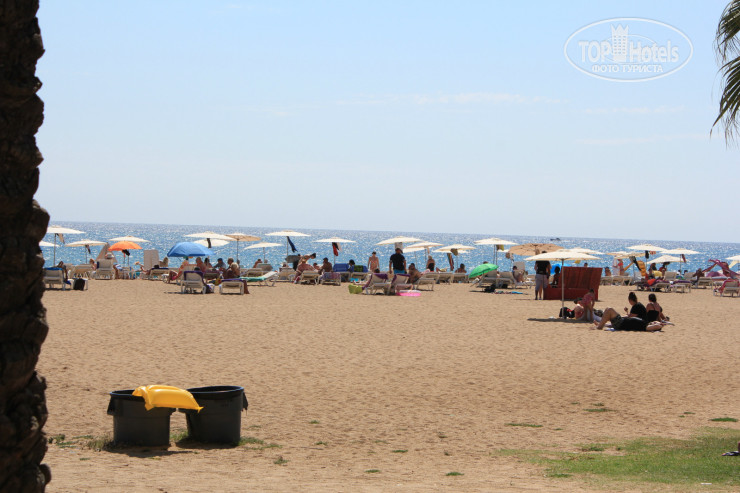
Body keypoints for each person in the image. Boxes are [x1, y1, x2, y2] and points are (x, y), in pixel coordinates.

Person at [592, 292, 662, 331]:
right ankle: (601, 325)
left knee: (609, 309)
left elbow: (658, 326)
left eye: (654, 323)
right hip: (622, 322)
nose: (655, 322)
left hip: (621, 323)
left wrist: (660, 324)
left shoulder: (644, 325)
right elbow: (631, 317)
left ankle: (599, 327)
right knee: (608, 309)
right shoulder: (643, 322)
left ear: (630, 300)